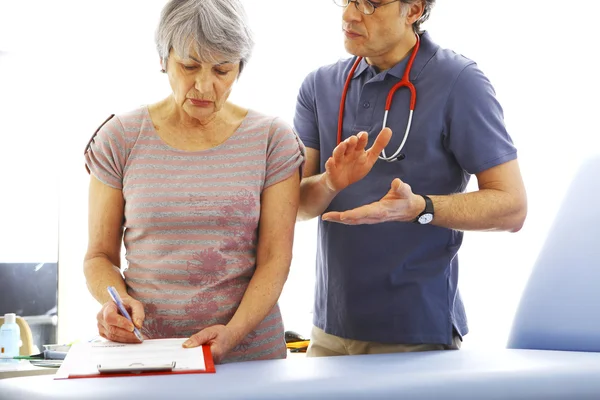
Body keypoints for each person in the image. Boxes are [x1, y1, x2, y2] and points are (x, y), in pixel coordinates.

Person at [294, 0, 527, 356]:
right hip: (329, 331)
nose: (349, 15)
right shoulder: (319, 86)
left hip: (415, 333)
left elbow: (512, 207)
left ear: (414, 9)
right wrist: (329, 182)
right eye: (347, 0)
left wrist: (419, 207)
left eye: (370, 4)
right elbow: (296, 207)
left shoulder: (460, 82)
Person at [83, 0, 304, 364]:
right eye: (189, 66)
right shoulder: (119, 137)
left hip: (249, 357)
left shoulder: (272, 139)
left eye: (222, 70)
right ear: (163, 58)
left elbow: (275, 259)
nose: (204, 85)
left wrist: (231, 335)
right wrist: (114, 302)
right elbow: (98, 256)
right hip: (149, 355)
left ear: (240, 68)